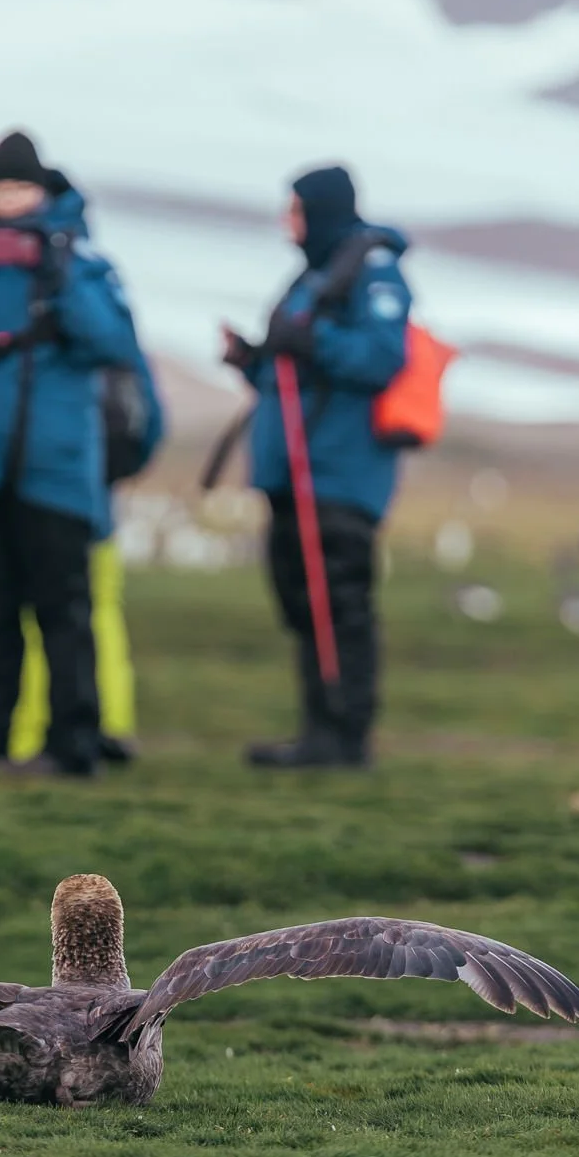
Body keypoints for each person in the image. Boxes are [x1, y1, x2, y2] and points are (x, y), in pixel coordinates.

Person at [0, 132, 141, 778]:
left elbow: (111, 340)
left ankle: (72, 746)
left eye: (19, 186)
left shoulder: (84, 265)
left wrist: (58, 275)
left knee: (62, 611)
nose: (8, 199)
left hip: (54, 470)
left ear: (44, 191)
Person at [223, 165, 412, 769]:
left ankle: (346, 738)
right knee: (304, 603)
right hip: (294, 473)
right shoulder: (315, 276)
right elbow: (289, 369)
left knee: (340, 605)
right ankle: (318, 734)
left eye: (297, 210)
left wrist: (313, 344)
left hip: (338, 471)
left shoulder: (371, 273)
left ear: (323, 211)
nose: (288, 222)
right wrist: (251, 359)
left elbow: (384, 357)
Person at [7, 172, 166, 769]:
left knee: (51, 605)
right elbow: (139, 388)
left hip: (62, 472)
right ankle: (107, 721)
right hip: (90, 474)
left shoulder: (66, 274)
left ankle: (39, 731)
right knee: (93, 603)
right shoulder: (99, 273)